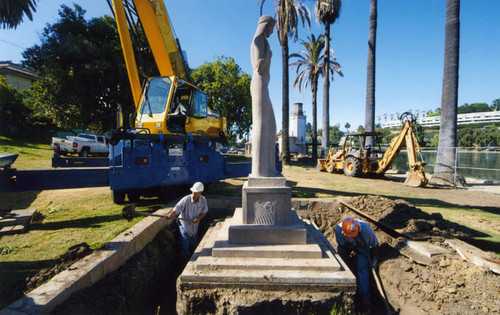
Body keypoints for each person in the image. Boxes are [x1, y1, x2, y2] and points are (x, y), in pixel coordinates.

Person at [250, 15, 278, 177]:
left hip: (263, 85)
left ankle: (269, 168)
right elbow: (259, 66)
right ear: (265, 25)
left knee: (271, 126)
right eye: (271, 28)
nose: (272, 31)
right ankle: (260, 170)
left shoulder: (263, 41)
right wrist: (268, 53)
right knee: (261, 126)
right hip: (259, 83)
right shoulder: (258, 40)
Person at [335, 217, 379, 306]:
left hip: (362, 246)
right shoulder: (338, 231)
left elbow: (375, 245)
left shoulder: (366, 231)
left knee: (362, 267)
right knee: (342, 260)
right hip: (346, 246)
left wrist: (375, 260)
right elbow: (342, 245)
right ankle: (343, 286)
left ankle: (365, 295)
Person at [166, 182, 208, 256]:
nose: (194, 193)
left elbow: (204, 213)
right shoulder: (186, 199)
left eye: (196, 192)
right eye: (193, 192)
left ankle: (193, 254)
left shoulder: (203, 200)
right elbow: (176, 209)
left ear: (200, 192)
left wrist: (198, 218)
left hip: (194, 226)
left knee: (194, 243)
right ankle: (185, 256)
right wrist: (170, 215)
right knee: (185, 240)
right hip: (184, 224)